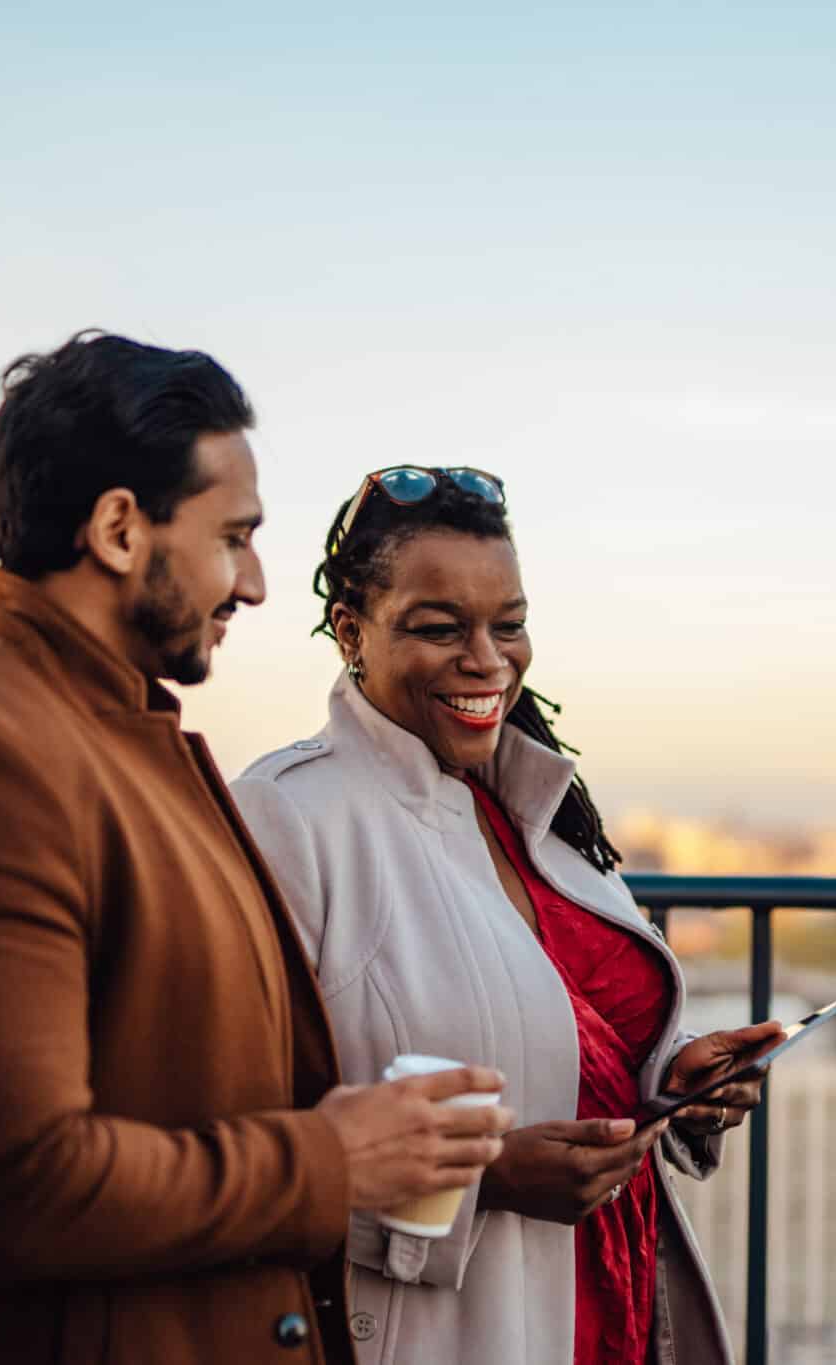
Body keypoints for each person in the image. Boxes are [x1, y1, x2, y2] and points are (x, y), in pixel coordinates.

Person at [0, 339, 512, 1365]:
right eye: (231, 537)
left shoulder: (94, 732)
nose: (252, 582)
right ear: (117, 529)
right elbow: (9, 1194)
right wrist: (330, 1158)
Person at [232, 467, 781, 1365]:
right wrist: (485, 1180)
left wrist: (673, 1088)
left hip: (610, 1309)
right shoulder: (290, 815)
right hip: (453, 1329)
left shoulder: (535, 809)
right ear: (350, 633)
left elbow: (561, 1042)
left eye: (509, 624)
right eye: (439, 627)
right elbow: (241, 1145)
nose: (487, 659)